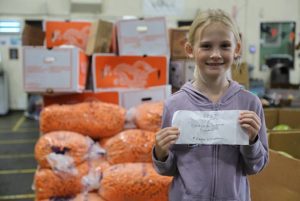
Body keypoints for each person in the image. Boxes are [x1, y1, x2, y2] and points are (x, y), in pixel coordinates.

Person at [152, 9, 269, 201]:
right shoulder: (175, 104)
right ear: (190, 50)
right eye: (206, 46)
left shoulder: (250, 103)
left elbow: (256, 167)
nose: (215, 54)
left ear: (237, 49)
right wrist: (161, 153)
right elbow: (169, 169)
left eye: (225, 45)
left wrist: (252, 141)